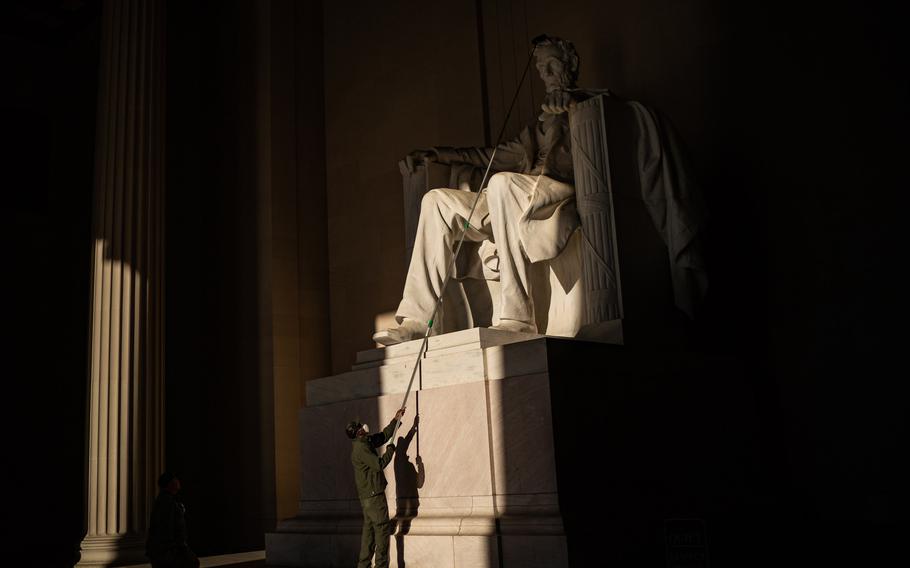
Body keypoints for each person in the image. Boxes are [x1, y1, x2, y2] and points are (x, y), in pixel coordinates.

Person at [373, 36, 584, 346]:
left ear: (570, 66)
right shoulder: (533, 130)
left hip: (555, 193)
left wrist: (574, 105)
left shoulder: (589, 105)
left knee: (501, 183)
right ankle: (420, 319)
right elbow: (489, 156)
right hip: (513, 195)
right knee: (436, 202)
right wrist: (439, 154)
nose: (545, 72)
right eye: (540, 67)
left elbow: (602, 121)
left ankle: (519, 316)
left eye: (551, 64)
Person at [347, 407, 406, 568]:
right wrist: (390, 451)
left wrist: (396, 420)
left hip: (368, 499)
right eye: (360, 427)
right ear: (358, 433)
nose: (363, 427)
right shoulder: (361, 449)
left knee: (369, 536)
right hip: (374, 498)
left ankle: (363, 565)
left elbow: (383, 436)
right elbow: (379, 464)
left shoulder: (365, 442)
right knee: (381, 533)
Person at [146, 472, 199, 568]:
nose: (178, 481)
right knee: (193, 563)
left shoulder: (165, 500)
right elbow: (167, 528)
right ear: (170, 483)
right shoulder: (167, 502)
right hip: (167, 551)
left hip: (164, 550)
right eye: (176, 479)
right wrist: (180, 549)